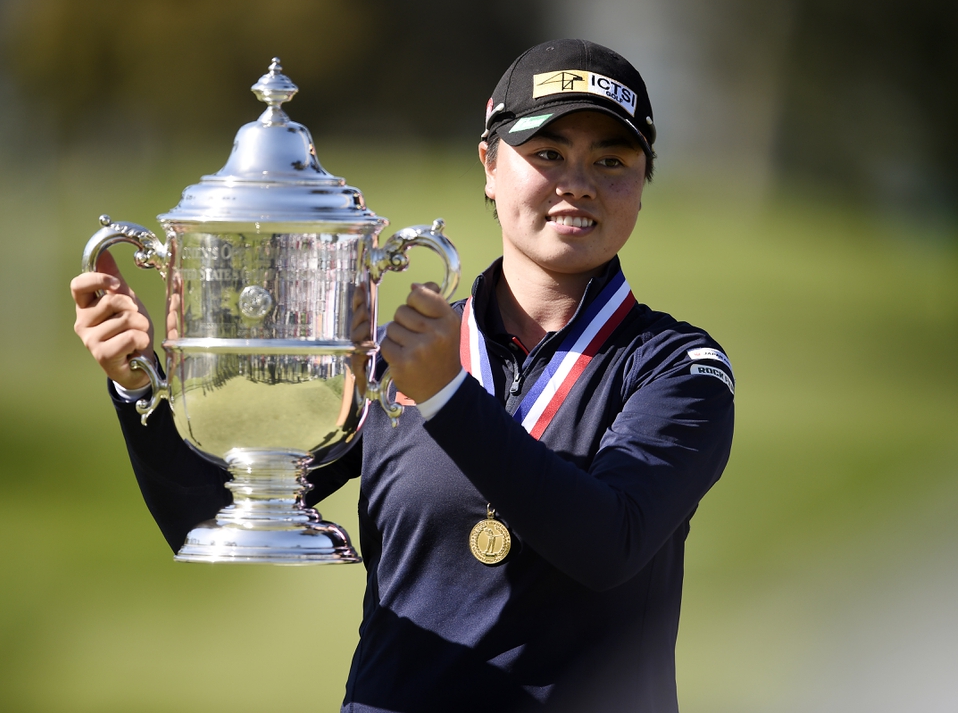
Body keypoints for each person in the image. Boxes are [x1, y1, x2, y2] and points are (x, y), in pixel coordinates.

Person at [71, 39, 735, 713]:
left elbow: (609, 543)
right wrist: (136, 385)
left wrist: (447, 396)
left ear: (644, 181)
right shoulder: (394, 356)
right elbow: (206, 515)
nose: (579, 182)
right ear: (489, 166)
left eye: (612, 161)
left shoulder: (679, 369)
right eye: (548, 153)